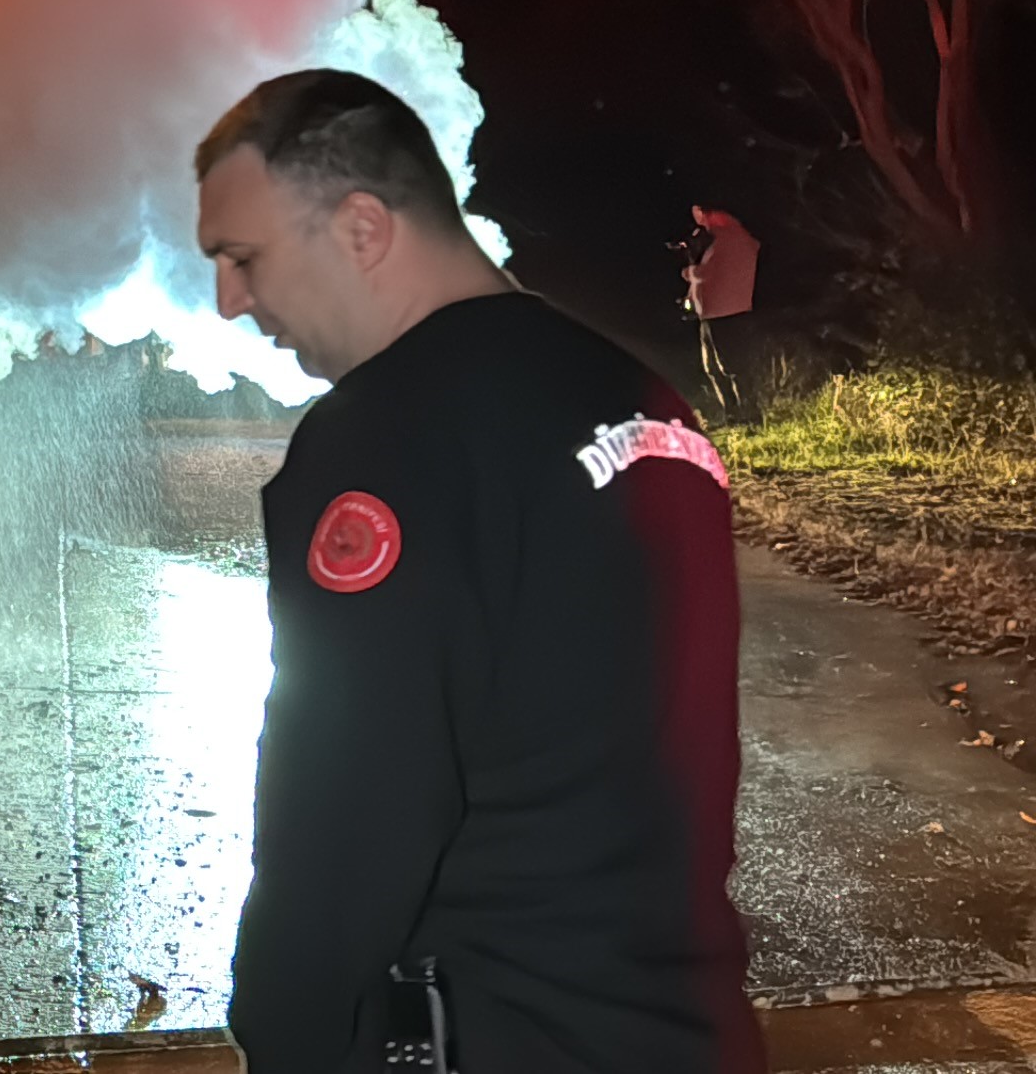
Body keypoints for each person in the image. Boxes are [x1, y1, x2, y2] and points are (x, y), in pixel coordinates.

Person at [193, 72, 756, 1074]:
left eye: (243, 258)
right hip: (688, 1031)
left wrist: (282, 1032)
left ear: (361, 229)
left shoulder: (385, 438)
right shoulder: (639, 397)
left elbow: (347, 814)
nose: (229, 301)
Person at [684, 204, 763, 425]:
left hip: (724, 314)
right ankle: (735, 414)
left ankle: (749, 415)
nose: (702, 222)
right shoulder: (731, 240)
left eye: (702, 216)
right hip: (712, 314)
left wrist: (688, 272)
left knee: (732, 367)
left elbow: (705, 273)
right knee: (715, 368)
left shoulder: (727, 241)